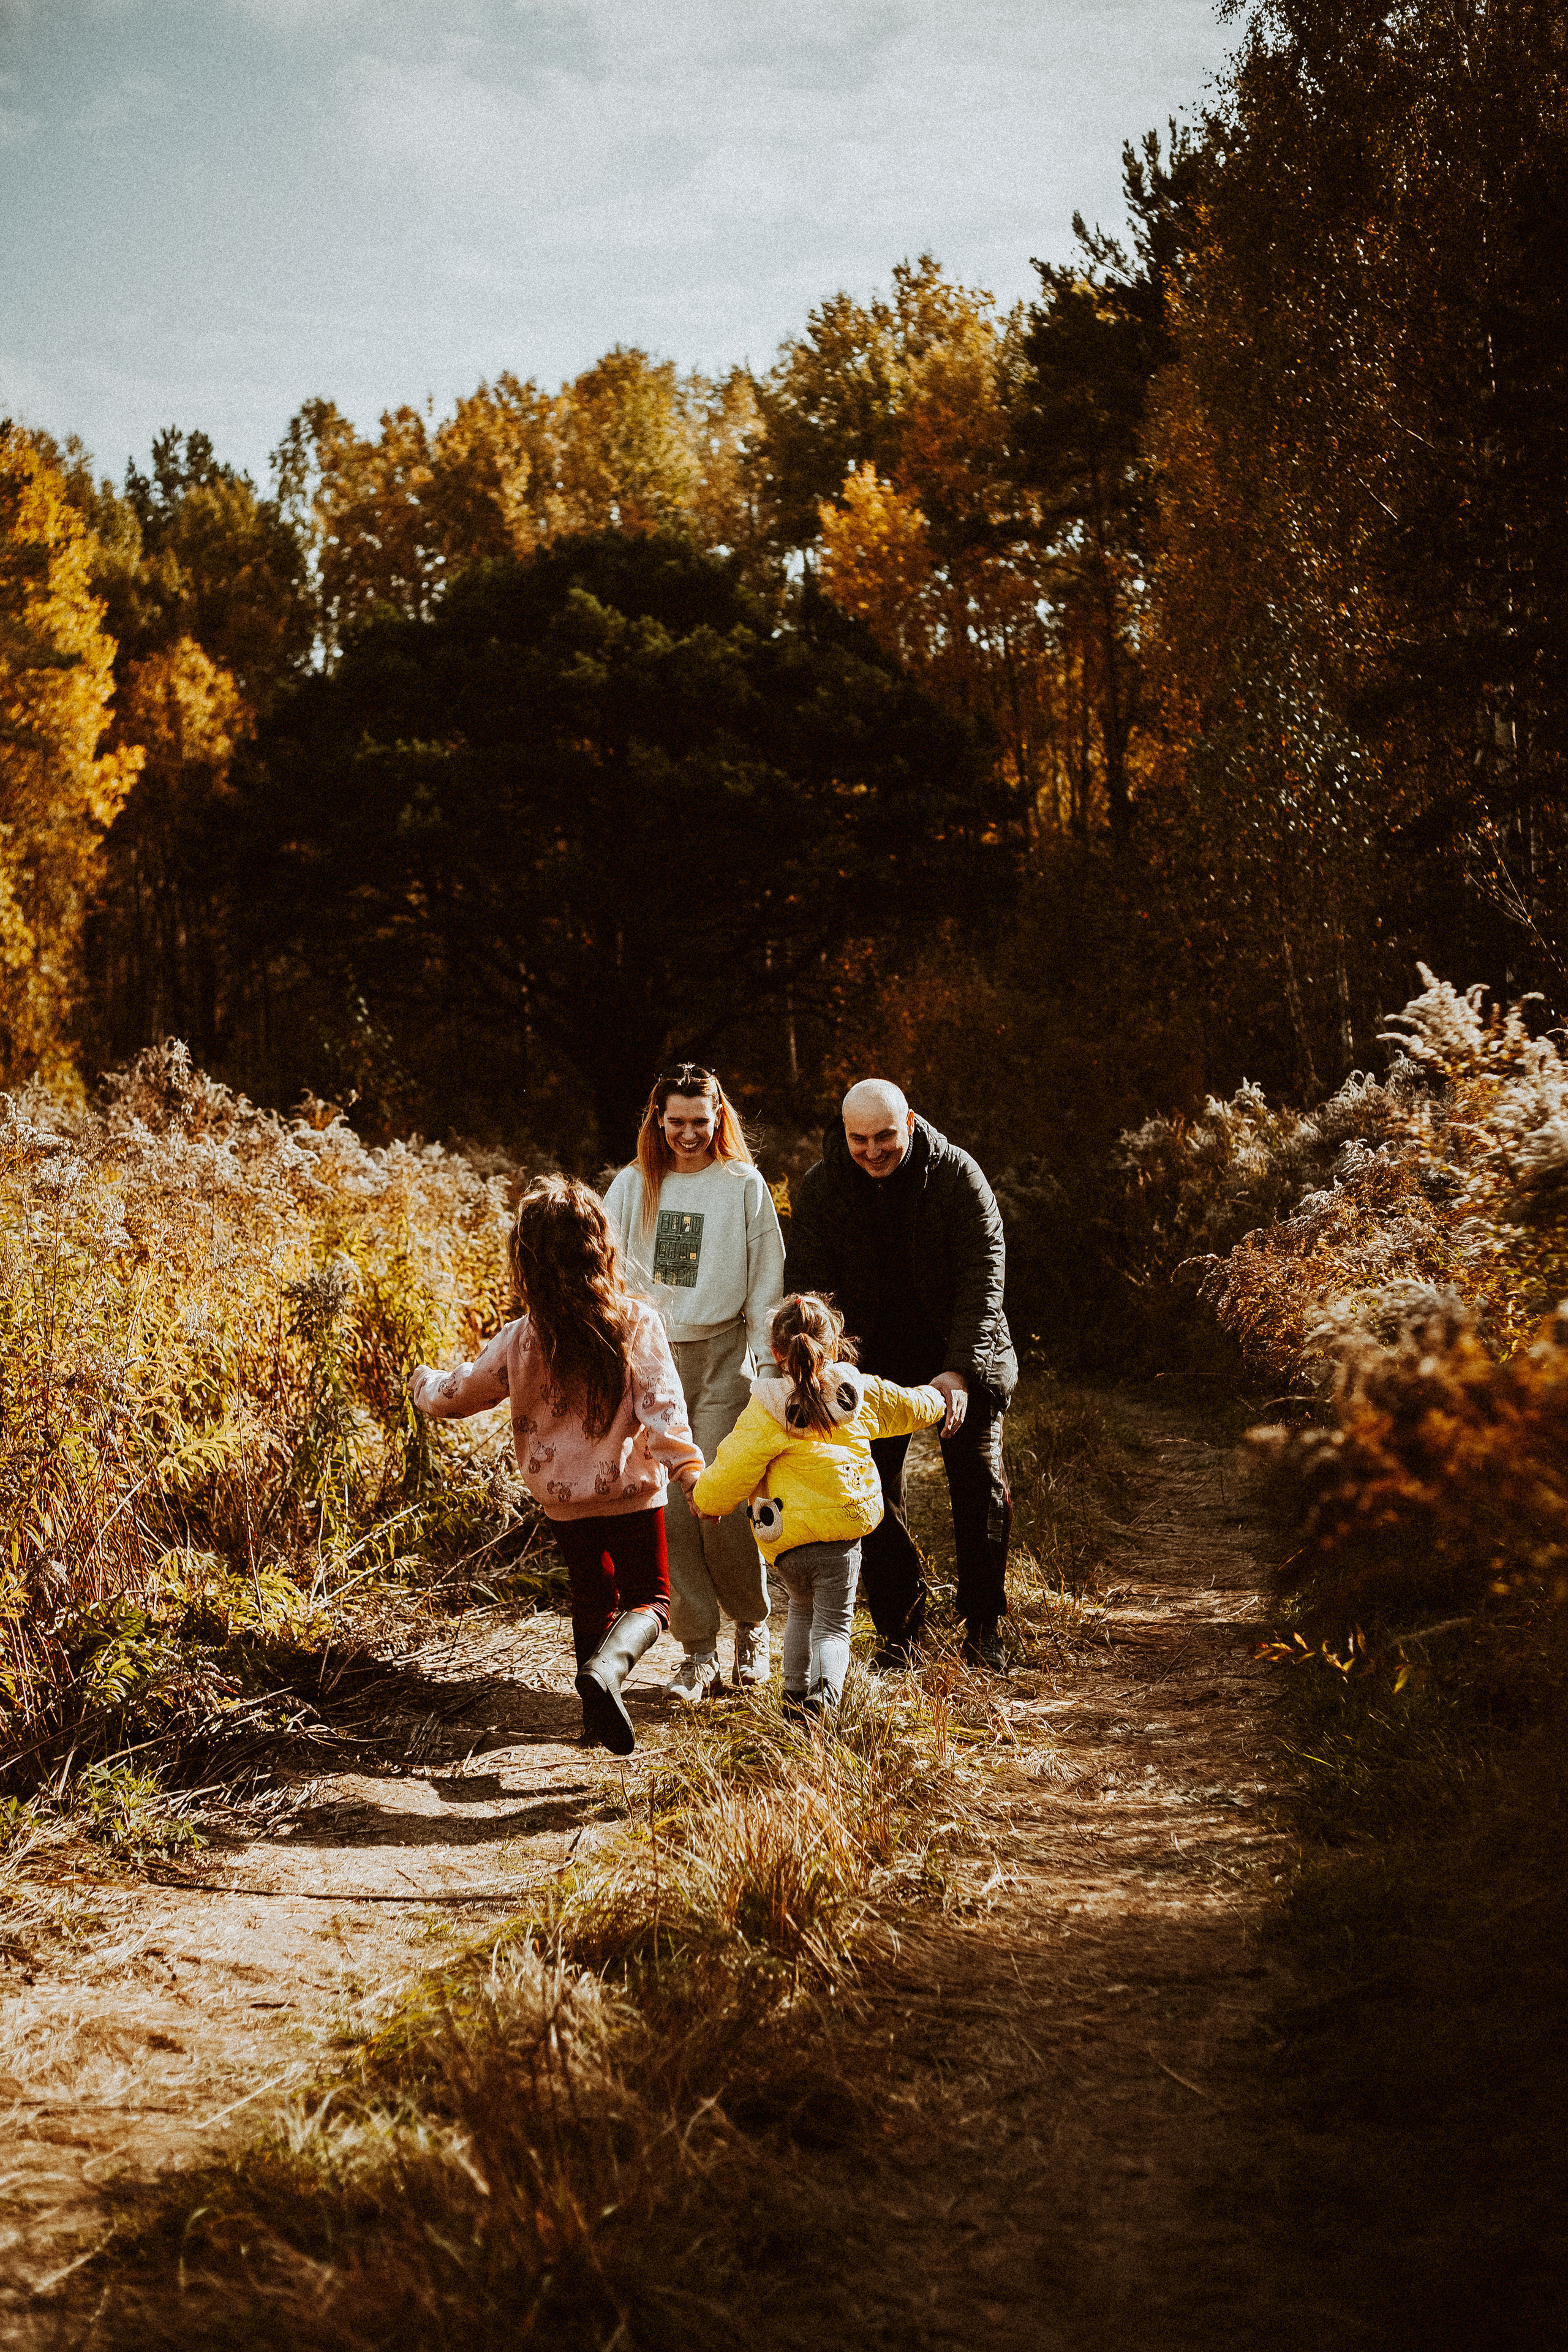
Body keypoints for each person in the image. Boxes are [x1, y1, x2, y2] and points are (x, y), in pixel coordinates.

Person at [410, 1174, 703, 1755]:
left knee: (592, 1597)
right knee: (651, 1599)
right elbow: (662, 1406)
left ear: (527, 1263)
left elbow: (464, 1392)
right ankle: (608, 1671)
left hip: (563, 1501)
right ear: (602, 1249)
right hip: (631, 1491)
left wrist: (425, 1386)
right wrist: (687, 1468)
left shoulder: (521, 1338)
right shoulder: (635, 1323)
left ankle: (594, 1721)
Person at [784, 1079, 1017, 1672]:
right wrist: (828, 1366)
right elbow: (810, 1285)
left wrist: (960, 1372)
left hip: (958, 1349)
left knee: (978, 1483)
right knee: (867, 1490)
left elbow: (983, 1282)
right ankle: (900, 1629)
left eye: (885, 1136)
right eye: (859, 1139)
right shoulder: (822, 1187)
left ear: (909, 1123)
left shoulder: (959, 1177)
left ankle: (983, 1627)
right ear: (844, 1133)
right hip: (868, 1358)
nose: (873, 1151)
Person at [603, 1064, 785, 1703]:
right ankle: (698, 1652)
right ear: (658, 1118)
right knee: (673, 1514)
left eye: (700, 1122)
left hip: (722, 1360)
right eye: (676, 1121)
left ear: (718, 1118)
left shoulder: (742, 1185)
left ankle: (752, 1627)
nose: (688, 1134)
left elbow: (766, 1281)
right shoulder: (631, 1185)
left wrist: (768, 1370)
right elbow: (605, 1274)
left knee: (720, 1501)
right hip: (653, 1359)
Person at [691, 1292, 945, 1715]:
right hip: (842, 1535)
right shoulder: (858, 1392)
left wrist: (707, 1500)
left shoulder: (767, 1408)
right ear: (835, 1345)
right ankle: (824, 1699)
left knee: (801, 1613)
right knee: (833, 1626)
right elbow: (908, 1406)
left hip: (789, 1541)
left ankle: (794, 1695)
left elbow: (734, 1464)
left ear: (776, 1352)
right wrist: (941, 1396)